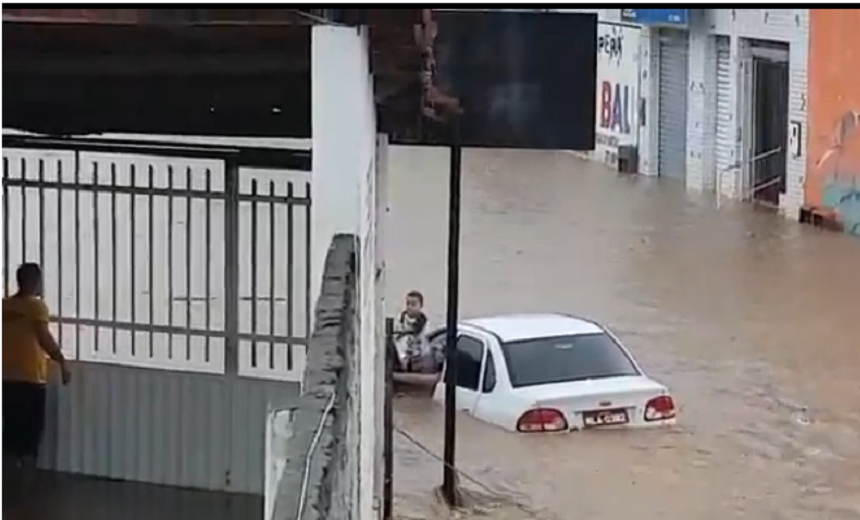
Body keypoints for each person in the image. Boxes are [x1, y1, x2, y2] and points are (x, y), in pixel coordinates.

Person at [3, 263, 71, 494]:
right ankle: (27, 491)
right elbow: (44, 338)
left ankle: (8, 488)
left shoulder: (5, 306)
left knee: (9, 434)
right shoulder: (36, 307)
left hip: (6, 378)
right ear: (35, 282)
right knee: (30, 435)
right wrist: (62, 361)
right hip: (31, 379)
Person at [393, 290, 429, 372]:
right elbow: (396, 340)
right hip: (401, 359)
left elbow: (426, 343)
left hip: (418, 360)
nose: (409, 307)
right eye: (407, 304)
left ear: (421, 306)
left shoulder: (425, 323)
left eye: (413, 304)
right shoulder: (400, 322)